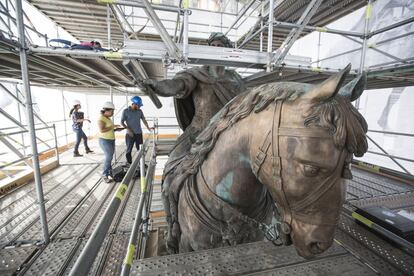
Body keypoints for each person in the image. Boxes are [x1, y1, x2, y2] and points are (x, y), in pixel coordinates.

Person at [143, 32, 246, 252]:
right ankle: (173, 227)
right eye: (214, 45)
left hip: (230, 134)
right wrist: (157, 86)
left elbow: (246, 103)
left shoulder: (235, 78)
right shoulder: (196, 75)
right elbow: (176, 85)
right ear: (208, 48)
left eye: (222, 45)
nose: (217, 48)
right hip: (198, 133)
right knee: (170, 177)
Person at [121, 96, 154, 165]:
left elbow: (144, 120)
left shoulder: (139, 111)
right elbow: (122, 122)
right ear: (134, 104)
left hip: (139, 133)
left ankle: (141, 163)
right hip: (129, 134)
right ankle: (129, 164)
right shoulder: (126, 111)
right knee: (129, 150)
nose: (140, 107)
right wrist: (128, 129)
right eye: (139, 105)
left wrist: (148, 128)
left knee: (140, 150)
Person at [97, 101, 122, 183]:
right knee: (108, 157)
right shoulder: (101, 118)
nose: (113, 113)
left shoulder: (108, 118)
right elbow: (102, 130)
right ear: (107, 110)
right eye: (112, 111)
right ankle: (104, 174)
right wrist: (112, 126)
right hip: (104, 140)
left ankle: (109, 172)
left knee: (110, 156)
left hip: (111, 140)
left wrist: (117, 129)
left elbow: (110, 129)